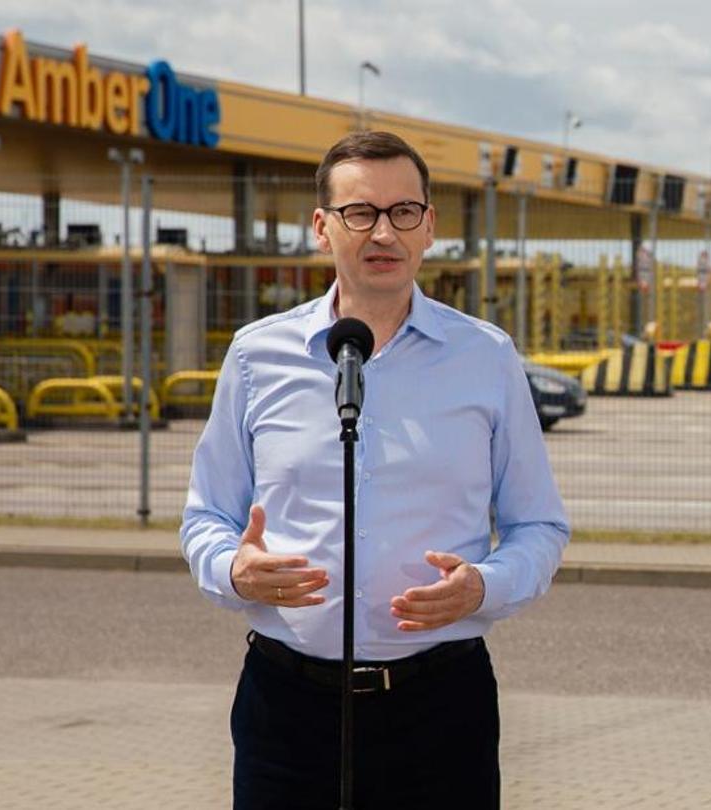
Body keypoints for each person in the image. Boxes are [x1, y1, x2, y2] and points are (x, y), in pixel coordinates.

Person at [180, 130, 570, 809]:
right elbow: (207, 515)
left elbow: (537, 523)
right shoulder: (255, 356)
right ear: (323, 227)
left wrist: (485, 585)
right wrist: (230, 569)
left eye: (403, 212)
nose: (383, 231)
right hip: (287, 708)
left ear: (430, 229)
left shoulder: (486, 357)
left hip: (439, 708)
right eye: (360, 213)